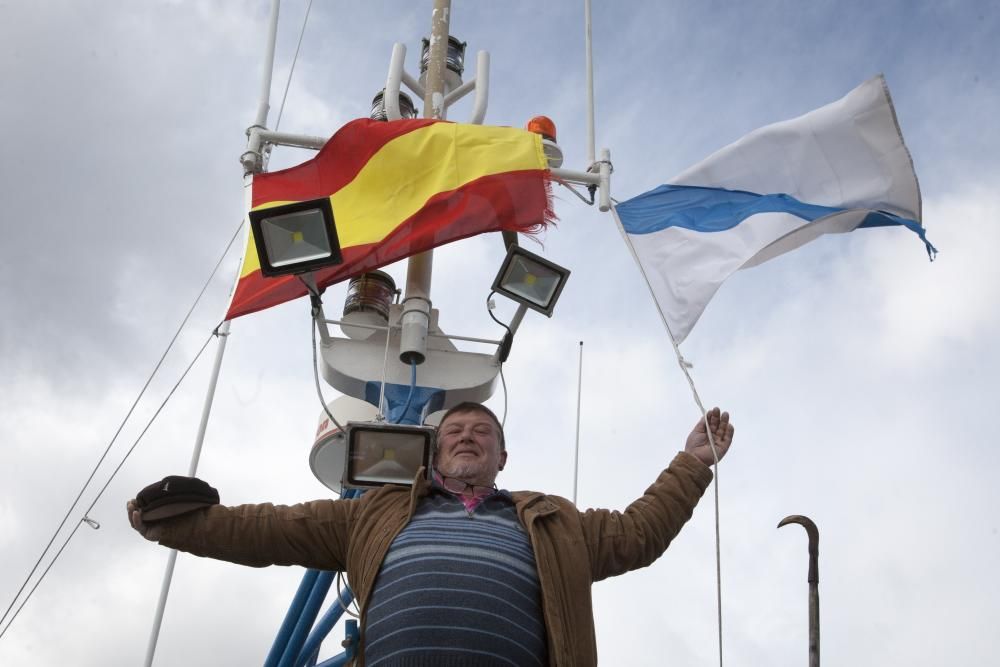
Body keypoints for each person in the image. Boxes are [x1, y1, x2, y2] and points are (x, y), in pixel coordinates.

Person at [128, 402, 734, 666]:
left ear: (502, 454)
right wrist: (177, 524)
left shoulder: (555, 523)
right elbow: (269, 529)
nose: (468, 435)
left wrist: (693, 462)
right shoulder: (375, 511)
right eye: (455, 430)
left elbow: (638, 533)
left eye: (482, 431)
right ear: (436, 450)